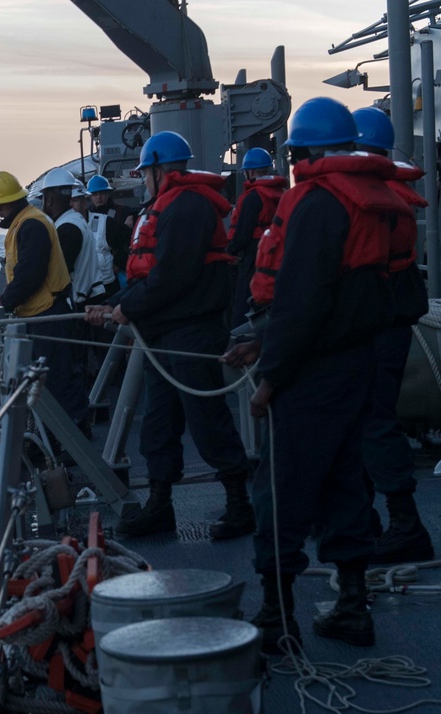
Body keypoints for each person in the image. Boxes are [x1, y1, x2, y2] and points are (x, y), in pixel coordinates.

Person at [243, 97, 410, 654]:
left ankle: (276, 616)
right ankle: (352, 607)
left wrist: (269, 377)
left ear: (304, 151)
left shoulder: (315, 203)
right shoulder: (369, 202)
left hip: (310, 376)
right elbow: (353, 298)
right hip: (356, 366)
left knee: (281, 491)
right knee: (345, 485)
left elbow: (302, 303)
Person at [84, 131, 254, 540]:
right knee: (159, 423)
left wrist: (127, 307)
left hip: (192, 331)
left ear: (160, 170)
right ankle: (160, 504)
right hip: (165, 332)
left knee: (207, 420)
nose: (143, 181)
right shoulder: (168, 206)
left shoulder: (189, 207)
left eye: (146, 174)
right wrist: (113, 304)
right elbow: (150, 274)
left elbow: (171, 276)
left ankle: (239, 503)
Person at [352, 106, 434, 565]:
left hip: (377, 324)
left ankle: (407, 526)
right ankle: (367, 522)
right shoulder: (387, 194)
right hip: (388, 317)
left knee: (374, 422)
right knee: (365, 420)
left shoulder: (375, 202)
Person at [0, 171, 90, 428]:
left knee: (58, 381)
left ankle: (72, 442)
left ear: (3, 203)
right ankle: (60, 439)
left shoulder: (30, 224)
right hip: (41, 314)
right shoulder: (26, 222)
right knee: (54, 380)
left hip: (48, 315)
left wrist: (5, 300)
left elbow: (30, 273)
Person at [227, 148, 287, 327]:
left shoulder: (253, 197)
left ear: (250, 172)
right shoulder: (282, 193)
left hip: (253, 256)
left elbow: (242, 235)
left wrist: (227, 252)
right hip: (276, 254)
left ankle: (239, 336)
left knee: (242, 301)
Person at [40, 168, 106, 309]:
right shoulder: (75, 221)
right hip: (90, 299)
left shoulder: (68, 228)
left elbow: (58, 274)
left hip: (82, 304)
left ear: (49, 200)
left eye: (43, 199)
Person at [87, 174, 135, 286]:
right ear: (90, 196)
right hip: (95, 272)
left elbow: (128, 240)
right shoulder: (87, 215)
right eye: (95, 194)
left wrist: (118, 263)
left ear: (108, 193)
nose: (99, 197)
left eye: (102, 193)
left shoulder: (122, 211)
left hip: (116, 271)